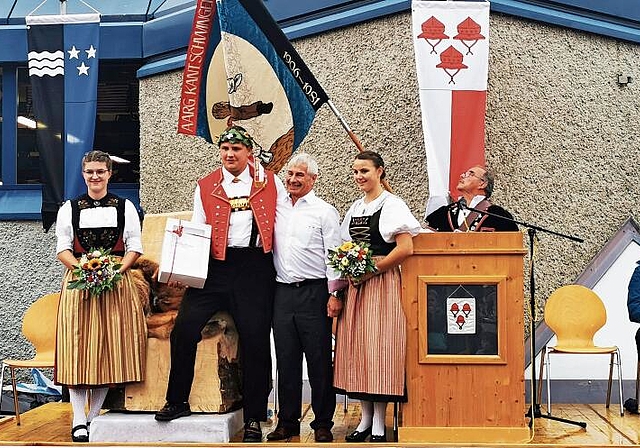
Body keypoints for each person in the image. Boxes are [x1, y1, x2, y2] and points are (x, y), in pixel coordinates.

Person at [155, 125, 286, 443]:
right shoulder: (206, 185)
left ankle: (255, 416)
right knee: (184, 329)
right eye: (225, 149)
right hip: (215, 267)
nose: (229, 154)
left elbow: (284, 221)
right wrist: (186, 270)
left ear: (248, 153)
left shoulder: (270, 182)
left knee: (256, 341)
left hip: (254, 268)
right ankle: (177, 401)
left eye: (236, 150)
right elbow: (198, 230)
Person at [54, 150, 146, 443]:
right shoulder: (69, 208)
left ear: (109, 174)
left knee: (109, 348)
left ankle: (93, 417)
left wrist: (114, 270)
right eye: (90, 171)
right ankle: (78, 419)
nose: (95, 176)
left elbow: (134, 246)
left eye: (100, 171)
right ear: (83, 174)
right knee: (77, 350)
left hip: (116, 282)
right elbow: (63, 248)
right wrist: (83, 269)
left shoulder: (125, 206)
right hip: (79, 283)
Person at [333, 150, 421, 443]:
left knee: (380, 351)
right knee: (358, 351)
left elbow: (405, 247)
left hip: (382, 285)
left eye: (365, 171)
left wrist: (373, 269)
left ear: (380, 171)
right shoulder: (356, 207)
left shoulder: (392, 204)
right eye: (355, 171)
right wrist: (349, 273)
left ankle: (380, 424)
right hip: (357, 287)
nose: (359, 177)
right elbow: (345, 245)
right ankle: (365, 420)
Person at [267, 153, 344, 443]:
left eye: (300, 175)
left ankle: (323, 422)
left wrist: (335, 293)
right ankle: (287, 422)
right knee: (286, 361)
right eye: (290, 174)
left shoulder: (325, 212)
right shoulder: (276, 207)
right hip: (282, 293)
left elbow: (334, 254)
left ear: (313, 179)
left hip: (315, 293)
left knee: (319, 360)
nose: (293, 180)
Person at [424, 165, 518, 232]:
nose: (462, 176)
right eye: (465, 173)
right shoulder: (442, 214)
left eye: (470, 174)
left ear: (482, 184)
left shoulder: (499, 216)